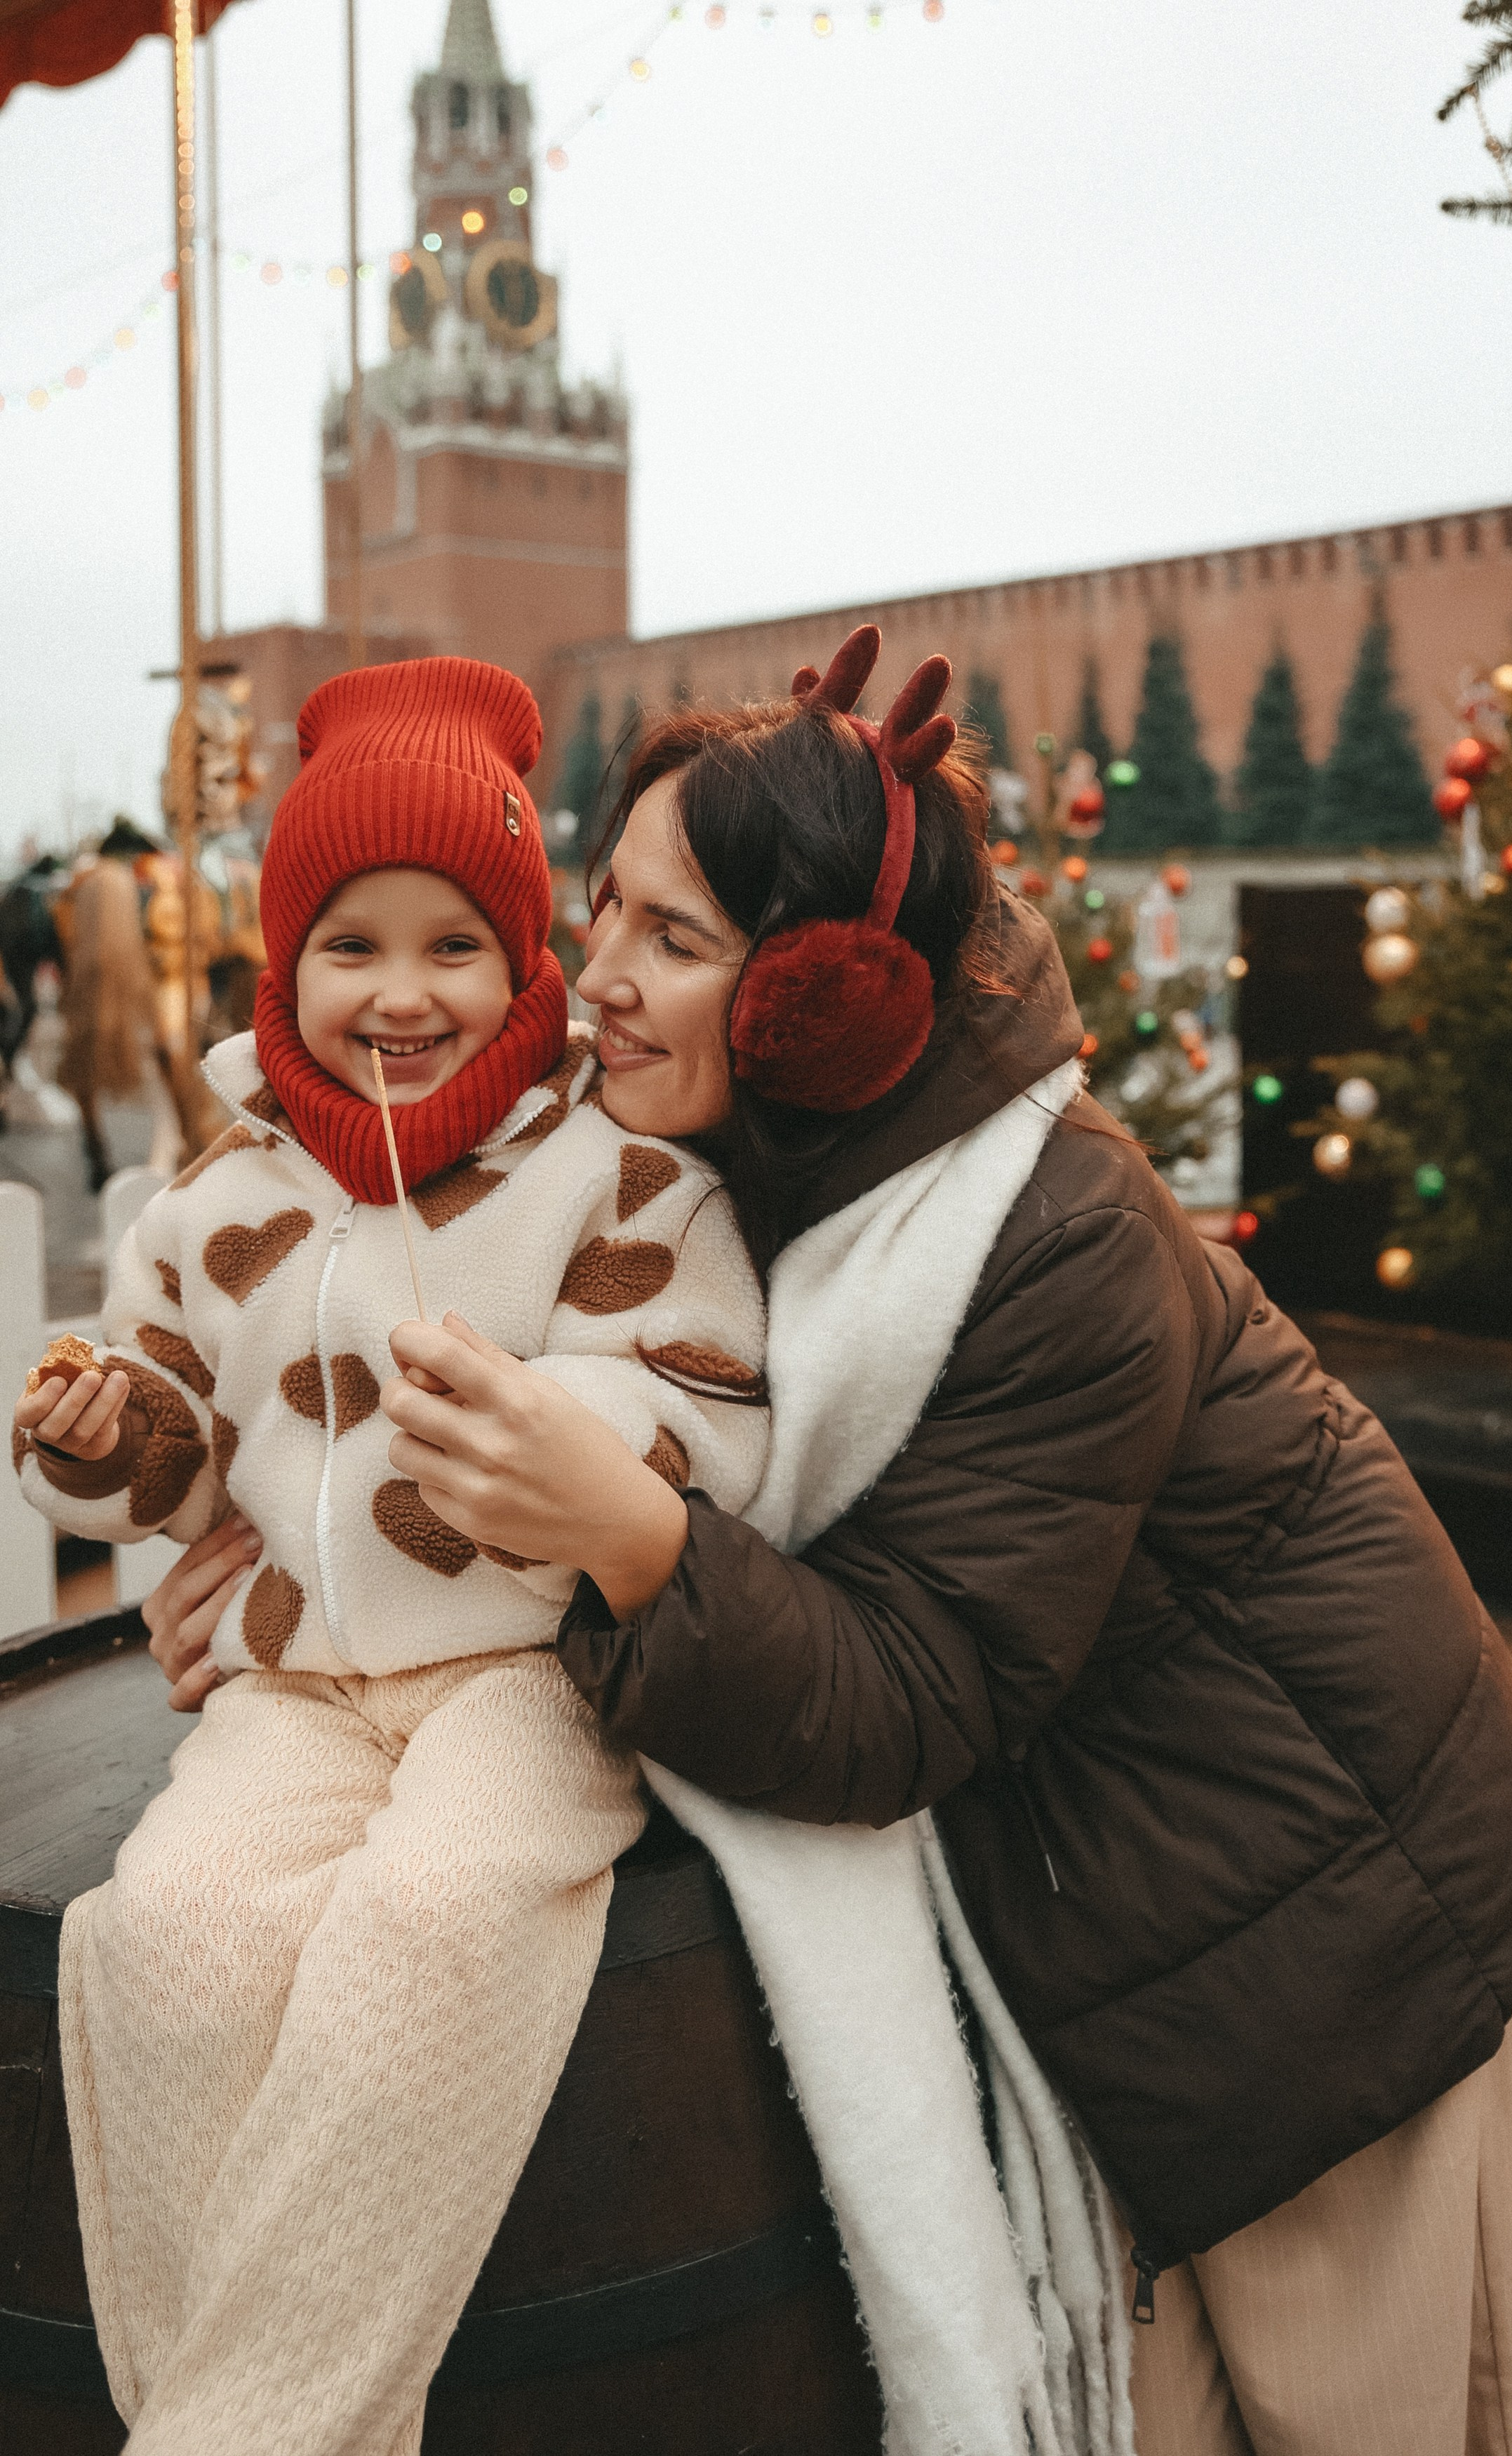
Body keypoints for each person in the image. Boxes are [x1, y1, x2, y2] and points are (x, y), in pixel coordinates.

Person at [146, 627, 1512, 2456]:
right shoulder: (720, 1138)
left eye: (674, 936)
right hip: (1107, 1899)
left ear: (820, 990)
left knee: (1338, 2410)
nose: (599, 976)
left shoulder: (1057, 1236)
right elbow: (429, 1319)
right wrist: (283, 1536)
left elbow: (910, 1688)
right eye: (603, 908)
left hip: (1314, 1905)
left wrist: (636, 1538)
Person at [12, 656, 768, 2456]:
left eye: (456, 945)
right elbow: (179, 1443)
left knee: (434, 1926)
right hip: (294, 1687)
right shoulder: (221, 1198)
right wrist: (105, 1441)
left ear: (523, 963)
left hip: (530, 1670)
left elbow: (705, 1395)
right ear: (286, 967)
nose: (404, 992)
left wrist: (553, 1429)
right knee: (162, 1936)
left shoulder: (612, 1174)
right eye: (352, 944)